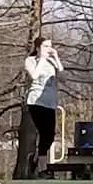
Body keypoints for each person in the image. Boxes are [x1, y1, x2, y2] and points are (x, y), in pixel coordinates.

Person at [23, 37, 63, 176]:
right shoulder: (31, 61)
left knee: (50, 135)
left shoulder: (51, 61)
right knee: (43, 132)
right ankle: (42, 167)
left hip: (50, 102)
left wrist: (55, 57)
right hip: (36, 101)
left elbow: (61, 70)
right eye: (45, 46)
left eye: (50, 46)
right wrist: (41, 59)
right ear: (38, 48)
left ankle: (35, 159)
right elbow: (34, 75)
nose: (48, 49)